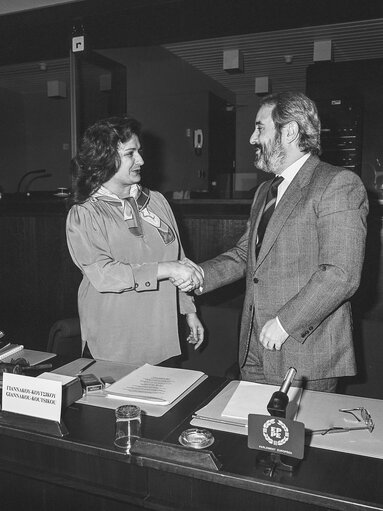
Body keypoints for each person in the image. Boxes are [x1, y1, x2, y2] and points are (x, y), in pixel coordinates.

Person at [180, 91, 368, 392]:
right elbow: (247, 254)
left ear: (290, 131)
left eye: (260, 128)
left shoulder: (337, 183)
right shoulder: (265, 191)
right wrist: (199, 276)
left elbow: (341, 273)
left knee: (293, 438)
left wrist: (284, 324)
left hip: (304, 352)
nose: (253, 139)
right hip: (252, 347)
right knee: (253, 435)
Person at [66, 116, 204, 366]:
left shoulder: (158, 201)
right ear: (105, 158)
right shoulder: (86, 213)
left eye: (139, 151)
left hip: (162, 333)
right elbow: (104, 274)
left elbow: (178, 259)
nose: (141, 160)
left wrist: (189, 310)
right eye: (130, 153)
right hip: (115, 340)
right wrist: (168, 269)